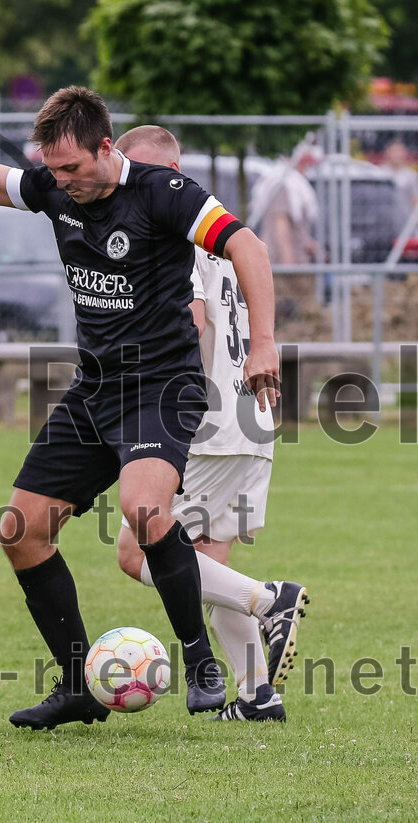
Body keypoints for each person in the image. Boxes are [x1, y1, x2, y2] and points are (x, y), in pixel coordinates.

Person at [0, 87, 281, 729]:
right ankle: (78, 687)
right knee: (19, 530)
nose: (61, 182)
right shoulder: (57, 188)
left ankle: (201, 661)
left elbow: (247, 247)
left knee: (145, 509)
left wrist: (264, 345)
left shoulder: (164, 194)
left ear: (106, 148)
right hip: (95, 389)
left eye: (72, 169)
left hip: (162, 384)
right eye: (52, 170)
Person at [114, 126, 308, 722]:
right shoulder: (217, 226)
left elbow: (193, 324)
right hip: (253, 422)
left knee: (134, 549)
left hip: (206, 420)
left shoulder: (173, 229)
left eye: (142, 169)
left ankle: (270, 599)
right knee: (207, 560)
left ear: (170, 169)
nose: (134, 182)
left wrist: (163, 403)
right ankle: (256, 696)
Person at [248, 143, 320, 267]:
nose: (307, 169)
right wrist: (288, 266)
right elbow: (281, 230)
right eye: (305, 164)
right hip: (283, 262)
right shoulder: (283, 187)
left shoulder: (292, 187)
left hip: (293, 260)